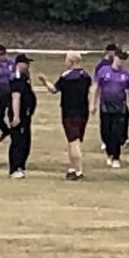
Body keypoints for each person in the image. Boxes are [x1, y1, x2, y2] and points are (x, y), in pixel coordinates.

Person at [38, 52, 92, 181]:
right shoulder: (86, 76)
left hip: (69, 112)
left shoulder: (66, 77)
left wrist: (44, 81)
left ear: (72, 61)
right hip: (83, 112)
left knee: (73, 142)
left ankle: (79, 171)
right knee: (76, 140)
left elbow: (54, 90)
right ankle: (72, 168)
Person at [90, 49, 129, 169]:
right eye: (119, 58)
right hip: (105, 107)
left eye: (122, 59)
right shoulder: (103, 71)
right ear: (114, 57)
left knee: (116, 133)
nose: (120, 61)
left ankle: (116, 157)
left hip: (119, 109)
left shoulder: (125, 75)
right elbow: (96, 88)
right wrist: (93, 104)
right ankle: (109, 153)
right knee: (105, 132)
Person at [7, 54, 37, 179]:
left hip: (26, 114)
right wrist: (16, 115)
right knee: (18, 141)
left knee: (26, 141)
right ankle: (15, 167)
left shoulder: (26, 77)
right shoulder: (17, 77)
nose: (28, 66)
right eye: (26, 63)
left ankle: (21, 166)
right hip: (20, 114)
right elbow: (16, 97)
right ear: (19, 64)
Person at [94, 44, 118, 151]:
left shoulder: (116, 63)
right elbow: (97, 82)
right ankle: (105, 141)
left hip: (117, 98)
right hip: (104, 97)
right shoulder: (101, 66)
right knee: (104, 121)